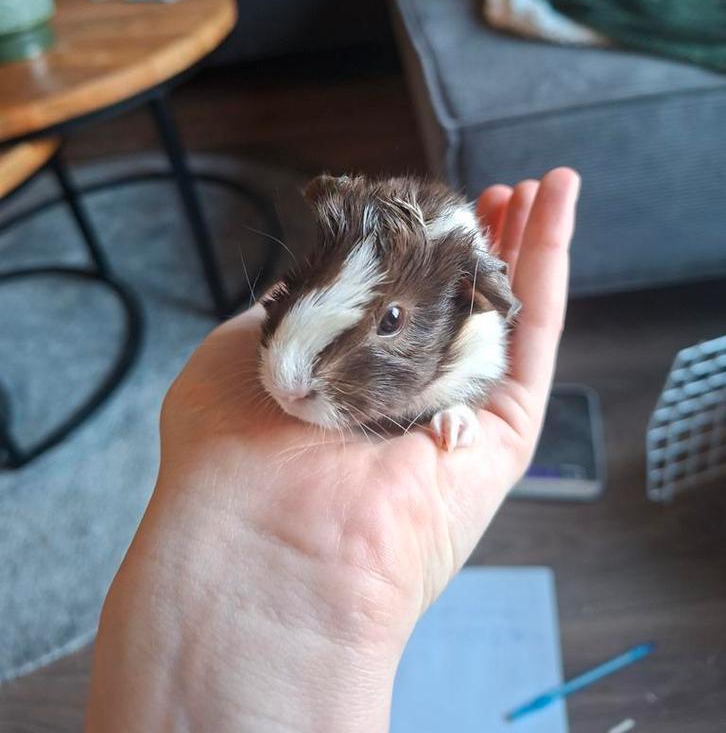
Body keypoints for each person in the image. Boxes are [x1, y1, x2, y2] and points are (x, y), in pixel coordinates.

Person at [85, 167, 580, 733]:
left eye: (391, 321)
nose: (291, 382)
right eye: (305, 286)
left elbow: (483, 364)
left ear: (468, 302)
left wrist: (457, 407)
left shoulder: (469, 325)